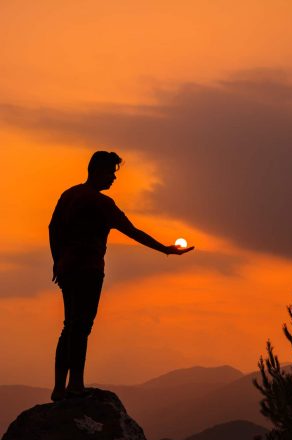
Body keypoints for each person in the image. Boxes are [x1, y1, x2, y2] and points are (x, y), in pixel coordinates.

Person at [49, 151, 194, 401]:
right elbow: (133, 232)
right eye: (110, 173)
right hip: (89, 270)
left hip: (67, 269)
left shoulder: (69, 195)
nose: (113, 179)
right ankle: (76, 386)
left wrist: (57, 261)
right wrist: (166, 250)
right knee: (81, 326)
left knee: (69, 325)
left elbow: (53, 228)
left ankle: (59, 388)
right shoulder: (102, 204)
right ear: (96, 171)